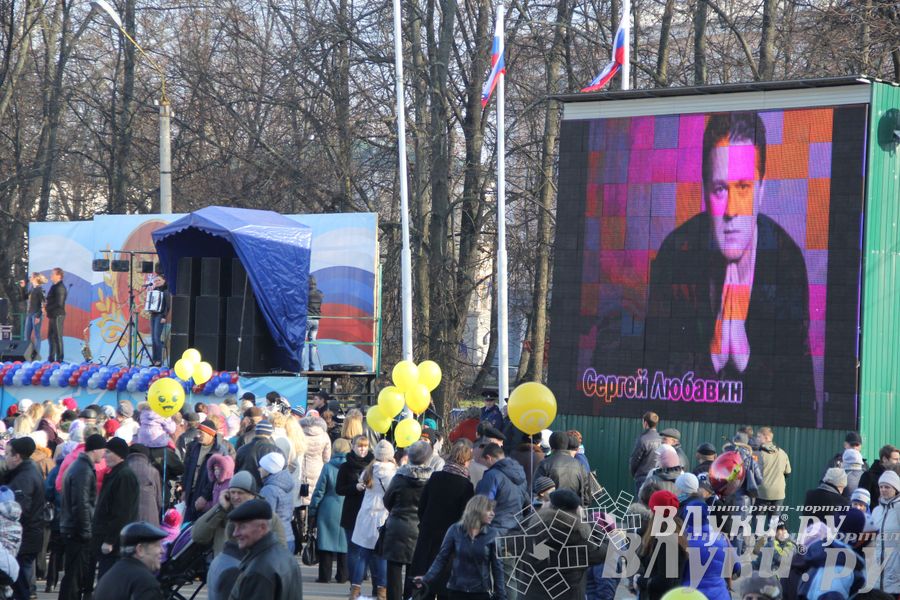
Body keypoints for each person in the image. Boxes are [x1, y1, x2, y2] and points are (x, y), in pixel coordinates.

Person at [644, 112, 815, 424]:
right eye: (720, 189)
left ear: (761, 190)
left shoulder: (785, 260)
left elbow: (801, 401)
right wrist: (714, 355)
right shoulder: (676, 254)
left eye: (744, 187)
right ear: (704, 192)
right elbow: (651, 379)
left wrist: (746, 359)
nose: (732, 211)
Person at [410, 440, 475, 597]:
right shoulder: (466, 485)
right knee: (444, 581)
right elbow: (465, 517)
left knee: (423, 580)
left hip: (428, 534)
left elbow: (422, 505)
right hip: (449, 540)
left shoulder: (436, 477)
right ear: (466, 461)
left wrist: (424, 523)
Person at [415, 495, 506, 600]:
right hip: (457, 591)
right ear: (477, 510)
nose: (493, 514)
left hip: (481, 592)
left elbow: (498, 568)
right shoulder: (455, 530)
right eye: (489, 510)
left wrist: (501, 596)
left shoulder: (493, 534)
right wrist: (426, 578)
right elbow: (441, 558)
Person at [382, 440, 435, 600]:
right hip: (419, 528)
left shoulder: (399, 477)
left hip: (397, 526)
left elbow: (387, 500)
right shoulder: (431, 481)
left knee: (394, 571)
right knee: (414, 571)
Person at [58, 433, 105, 600]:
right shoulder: (83, 470)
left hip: (73, 528)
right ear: (95, 450)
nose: (104, 454)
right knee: (74, 577)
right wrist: (86, 531)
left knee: (73, 575)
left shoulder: (80, 466)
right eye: (102, 450)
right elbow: (81, 503)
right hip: (77, 531)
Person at [227, 499, 303, 600]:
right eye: (235, 527)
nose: (235, 533)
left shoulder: (258, 571)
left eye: (242, 527)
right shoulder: (285, 556)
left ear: (262, 528)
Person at [349, 439, 396, 600]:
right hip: (383, 515)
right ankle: (382, 591)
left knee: (363, 555)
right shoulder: (393, 473)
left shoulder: (369, 470)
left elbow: (362, 483)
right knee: (382, 556)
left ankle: (355, 590)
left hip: (366, 515)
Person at [2, 437, 45, 600]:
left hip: (24, 538)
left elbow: (18, 510)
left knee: (19, 584)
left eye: (7, 454)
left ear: (17, 456)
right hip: (29, 536)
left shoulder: (24, 478)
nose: (5, 457)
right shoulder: (26, 471)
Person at [309, 438, 350, 583]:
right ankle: (343, 575)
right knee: (344, 543)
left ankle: (324, 576)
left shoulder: (327, 467)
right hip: (347, 506)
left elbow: (319, 490)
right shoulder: (351, 467)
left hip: (328, 507)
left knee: (325, 542)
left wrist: (313, 509)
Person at [92, 522, 167, 600]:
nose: (162, 551)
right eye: (157, 546)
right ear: (140, 549)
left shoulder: (109, 575)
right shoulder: (145, 582)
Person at [336, 435, 372, 589]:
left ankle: (365, 574)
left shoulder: (373, 465)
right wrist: (354, 488)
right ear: (353, 446)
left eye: (365, 446)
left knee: (368, 548)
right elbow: (339, 489)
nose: (362, 449)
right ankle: (354, 584)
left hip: (368, 511)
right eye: (359, 446)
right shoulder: (345, 466)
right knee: (353, 549)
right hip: (351, 510)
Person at [182, 419, 234, 522]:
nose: (198, 435)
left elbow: (218, 478)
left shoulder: (219, 451)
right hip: (190, 493)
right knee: (187, 526)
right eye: (198, 432)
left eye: (201, 433)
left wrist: (205, 496)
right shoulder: (193, 447)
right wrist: (184, 490)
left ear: (210, 434)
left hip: (205, 495)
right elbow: (187, 469)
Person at [474, 443, 528, 535]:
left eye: (485, 462)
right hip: (517, 527)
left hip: (496, 529)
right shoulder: (520, 474)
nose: (486, 466)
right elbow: (526, 502)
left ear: (489, 458)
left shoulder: (492, 475)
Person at [534, 431, 589, 506]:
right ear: (567, 444)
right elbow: (586, 497)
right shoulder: (579, 465)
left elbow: (536, 492)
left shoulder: (544, 464)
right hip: (574, 513)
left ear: (551, 444)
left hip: (551, 513)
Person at [258, 452, 296, 552]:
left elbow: (266, 517)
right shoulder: (286, 485)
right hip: (289, 536)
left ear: (269, 469)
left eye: (262, 466)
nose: (259, 469)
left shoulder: (269, 490)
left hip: (275, 539)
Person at [871, 470, 900, 595]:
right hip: (877, 569)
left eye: (887, 487)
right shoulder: (876, 511)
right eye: (881, 487)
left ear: (896, 489)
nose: (883, 490)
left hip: (895, 567)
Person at [235, 419, 282, 488]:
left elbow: (236, 471)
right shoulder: (276, 451)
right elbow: (282, 473)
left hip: (245, 489)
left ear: (256, 432)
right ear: (270, 434)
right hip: (266, 490)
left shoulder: (241, 450)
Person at [755, 427, 792, 515]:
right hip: (778, 493)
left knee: (758, 522)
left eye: (759, 437)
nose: (757, 439)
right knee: (773, 524)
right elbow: (788, 472)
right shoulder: (783, 453)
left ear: (767, 438)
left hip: (762, 493)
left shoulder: (757, 454)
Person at [299, 412, 332, 507]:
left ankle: (301, 518)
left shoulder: (299, 433)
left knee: (302, 496)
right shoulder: (324, 435)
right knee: (315, 494)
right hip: (318, 469)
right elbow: (327, 458)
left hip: (302, 468)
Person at [126, 445, 162, 525]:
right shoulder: (153, 472)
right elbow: (159, 501)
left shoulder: (123, 470)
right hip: (150, 522)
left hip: (128, 523)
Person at [630, 411, 661, 495]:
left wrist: (634, 474)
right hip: (658, 478)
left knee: (642, 505)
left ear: (645, 423)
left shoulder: (642, 439)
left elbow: (634, 460)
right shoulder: (662, 439)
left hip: (642, 478)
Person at [144, 272, 170, 366]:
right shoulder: (154, 290)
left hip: (160, 315)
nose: (157, 282)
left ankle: (158, 360)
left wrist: (164, 316)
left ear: (164, 281)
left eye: (159, 280)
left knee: (156, 337)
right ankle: (154, 360)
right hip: (153, 315)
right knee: (153, 338)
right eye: (156, 280)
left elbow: (167, 306)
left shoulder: (166, 291)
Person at [20, 272, 46, 360]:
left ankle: (36, 356)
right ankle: (27, 354)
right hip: (30, 313)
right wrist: (23, 288)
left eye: (31, 276)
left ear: (35, 278)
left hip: (36, 314)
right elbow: (24, 297)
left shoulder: (40, 289)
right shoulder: (32, 288)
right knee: (26, 335)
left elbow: (43, 303)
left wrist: (38, 316)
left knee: (37, 335)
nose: (30, 278)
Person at [45, 267, 67, 362]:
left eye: (53, 274)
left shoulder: (60, 287)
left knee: (58, 336)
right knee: (51, 337)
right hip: (52, 315)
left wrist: (46, 308)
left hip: (58, 315)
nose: (51, 276)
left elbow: (59, 303)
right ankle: (51, 358)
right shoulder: (54, 286)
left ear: (58, 275)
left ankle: (60, 359)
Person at [304, 276, 323, 371]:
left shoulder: (306, 293)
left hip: (307, 319)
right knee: (313, 343)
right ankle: (312, 366)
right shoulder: (320, 294)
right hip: (316, 320)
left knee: (303, 343)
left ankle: (301, 366)